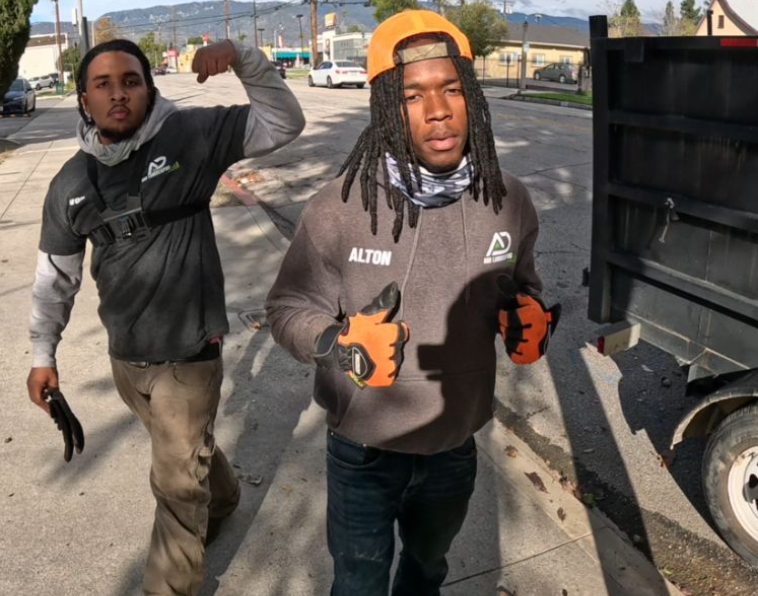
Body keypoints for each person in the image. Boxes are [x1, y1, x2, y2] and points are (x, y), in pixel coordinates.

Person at [265, 10, 558, 595]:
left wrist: (528, 317)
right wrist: (339, 344)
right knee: (359, 586)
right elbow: (287, 307)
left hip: (454, 448)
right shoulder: (339, 206)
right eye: (414, 95)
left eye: (452, 89)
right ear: (386, 110)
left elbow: (522, 286)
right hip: (363, 453)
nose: (439, 109)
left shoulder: (509, 200)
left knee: (427, 574)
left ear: (472, 97)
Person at [26, 38, 305, 595]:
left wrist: (243, 57)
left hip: (188, 354)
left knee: (176, 488)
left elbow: (283, 123)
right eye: (102, 84)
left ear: (148, 88)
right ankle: (224, 496)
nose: (117, 93)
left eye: (130, 80)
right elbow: (55, 279)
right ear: (84, 100)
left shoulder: (192, 135)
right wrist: (42, 355)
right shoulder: (70, 184)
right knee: (186, 451)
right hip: (126, 357)